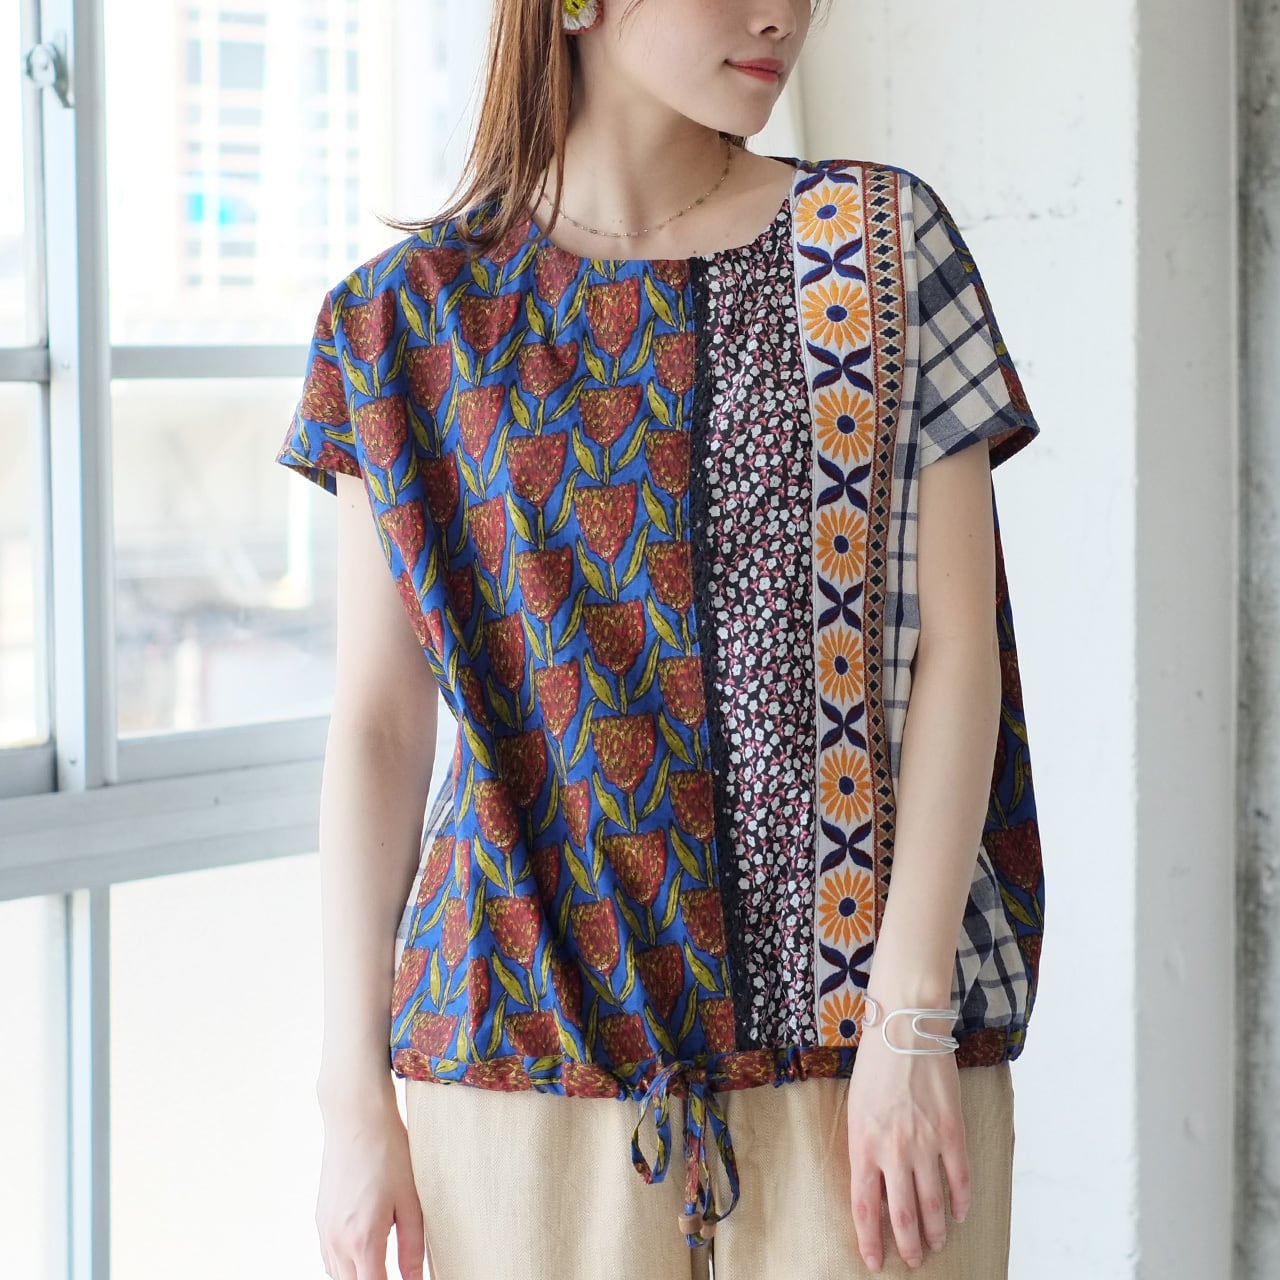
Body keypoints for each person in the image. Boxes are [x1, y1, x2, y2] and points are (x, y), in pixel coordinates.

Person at [275, 1, 1046, 1277]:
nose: (780, 13)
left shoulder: (877, 245)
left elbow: (957, 651)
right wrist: (351, 1097)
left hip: (868, 1074)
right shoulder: (398, 322)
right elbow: (378, 723)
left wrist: (907, 1023)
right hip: (519, 1071)